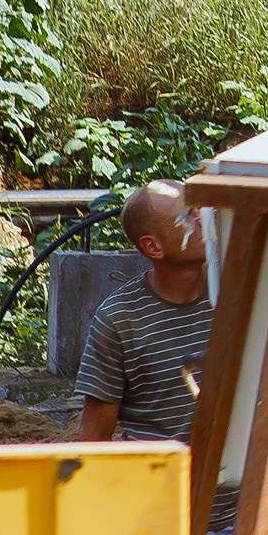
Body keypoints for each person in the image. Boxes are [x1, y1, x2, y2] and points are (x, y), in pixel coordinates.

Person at [77, 183, 213, 444]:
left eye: (199, 209)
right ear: (153, 247)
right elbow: (94, 439)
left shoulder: (235, 297)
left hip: (232, 484)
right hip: (155, 479)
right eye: (187, 216)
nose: (202, 218)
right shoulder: (119, 319)